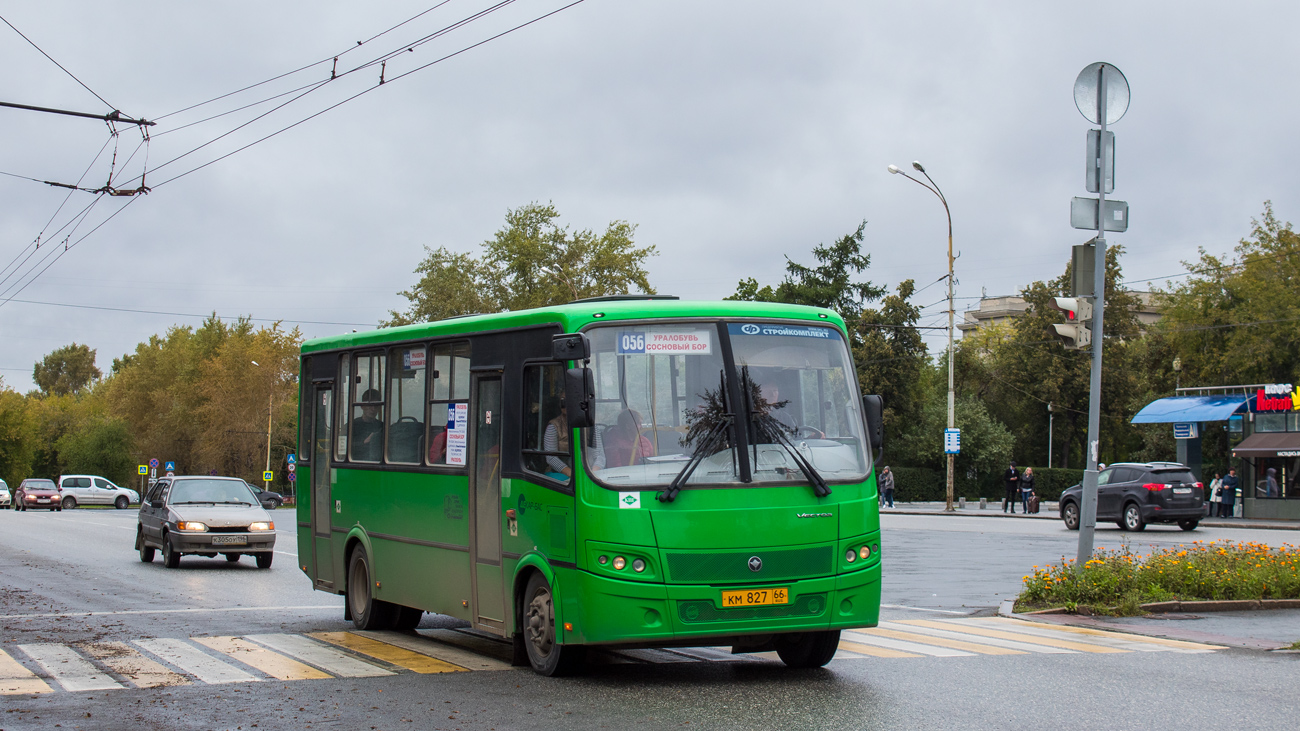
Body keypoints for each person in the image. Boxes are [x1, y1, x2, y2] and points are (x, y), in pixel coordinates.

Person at [351, 389, 383, 462]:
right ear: (362, 406)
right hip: (357, 464)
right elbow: (342, 448)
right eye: (370, 405)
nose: (373, 409)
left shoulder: (382, 426)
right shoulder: (351, 426)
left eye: (376, 406)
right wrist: (364, 442)